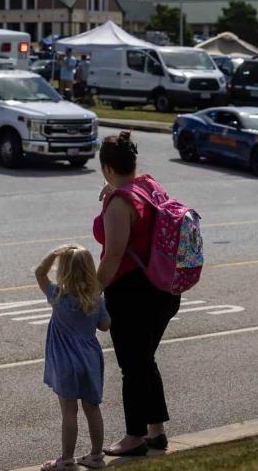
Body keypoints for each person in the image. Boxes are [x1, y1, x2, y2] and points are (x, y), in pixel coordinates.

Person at [94, 132, 181, 457]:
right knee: (145, 360)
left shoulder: (120, 202)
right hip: (164, 290)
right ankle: (156, 432)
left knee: (132, 366)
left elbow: (113, 255)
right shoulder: (150, 185)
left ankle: (134, 437)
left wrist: (93, 293)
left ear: (106, 167)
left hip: (133, 294)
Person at [35, 244, 111, 471]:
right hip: (89, 358)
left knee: (69, 410)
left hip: (65, 361)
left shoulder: (57, 296)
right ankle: (96, 456)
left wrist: (54, 253)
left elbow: (39, 273)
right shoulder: (95, 298)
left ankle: (67, 460)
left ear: (64, 271)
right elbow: (105, 326)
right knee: (92, 408)